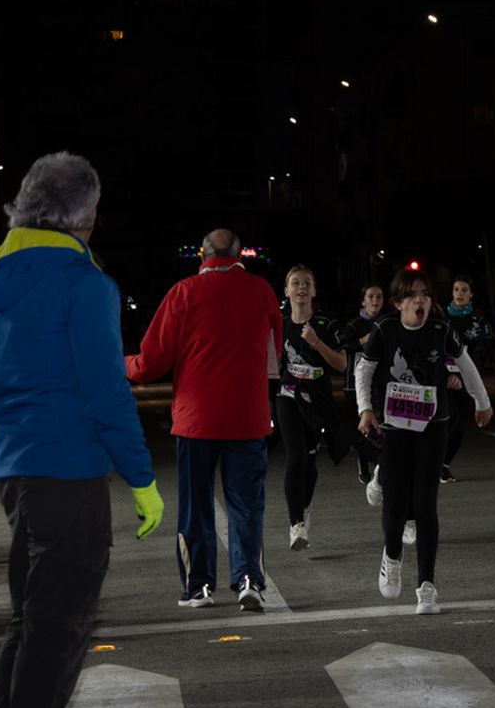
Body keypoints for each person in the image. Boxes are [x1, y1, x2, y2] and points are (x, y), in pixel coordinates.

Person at [0, 152, 162, 708]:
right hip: (70, 471)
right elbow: (106, 391)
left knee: (30, 621)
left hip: (16, 471)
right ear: (81, 215)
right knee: (58, 628)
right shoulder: (84, 282)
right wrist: (141, 478)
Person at [126, 227, 281, 611]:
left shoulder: (183, 293)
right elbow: (275, 354)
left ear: (202, 254)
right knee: (247, 503)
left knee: (196, 505)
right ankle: (249, 580)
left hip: (196, 420)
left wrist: (119, 363)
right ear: (241, 254)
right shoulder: (262, 291)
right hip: (247, 416)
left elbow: (150, 363)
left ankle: (200, 587)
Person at [356, 270, 492, 615]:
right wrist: (366, 408)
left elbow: (466, 364)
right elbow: (365, 370)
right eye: (413, 296)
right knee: (396, 502)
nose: (421, 301)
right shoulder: (385, 330)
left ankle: (427, 587)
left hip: (433, 426)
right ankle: (392, 555)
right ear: (398, 302)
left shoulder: (440, 330)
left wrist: (482, 401)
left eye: (426, 295)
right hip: (395, 426)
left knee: (425, 504)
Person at [277, 265, 348, 552]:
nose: (301, 288)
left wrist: (316, 343)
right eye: (295, 283)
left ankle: (304, 508)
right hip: (288, 396)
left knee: (309, 461)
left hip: (317, 401)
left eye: (307, 283)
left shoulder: (327, 325)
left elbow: (341, 364)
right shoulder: (279, 324)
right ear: (287, 291)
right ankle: (296, 525)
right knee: (295, 458)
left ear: (314, 290)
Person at [440, 275, 493, 483]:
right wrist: (447, 374)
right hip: (442, 377)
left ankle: (444, 464)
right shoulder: (441, 318)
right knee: (447, 418)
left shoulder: (479, 321)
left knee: (460, 424)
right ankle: (430, 461)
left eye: (464, 290)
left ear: (471, 294)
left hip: (467, 378)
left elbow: (483, 350)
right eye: (456, 290)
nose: (459, 294)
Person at [334, 282, 387, 484]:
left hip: (379, 383)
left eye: (379, 297)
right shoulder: (354, 325)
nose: (375, 301)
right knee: (359, 426)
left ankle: (379, 462)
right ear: (363, 300)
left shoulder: (386, 323)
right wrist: (361, 343)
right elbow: (338, 346)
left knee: (379, 424)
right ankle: (364, 460)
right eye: (371, 297)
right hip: (354, 383)